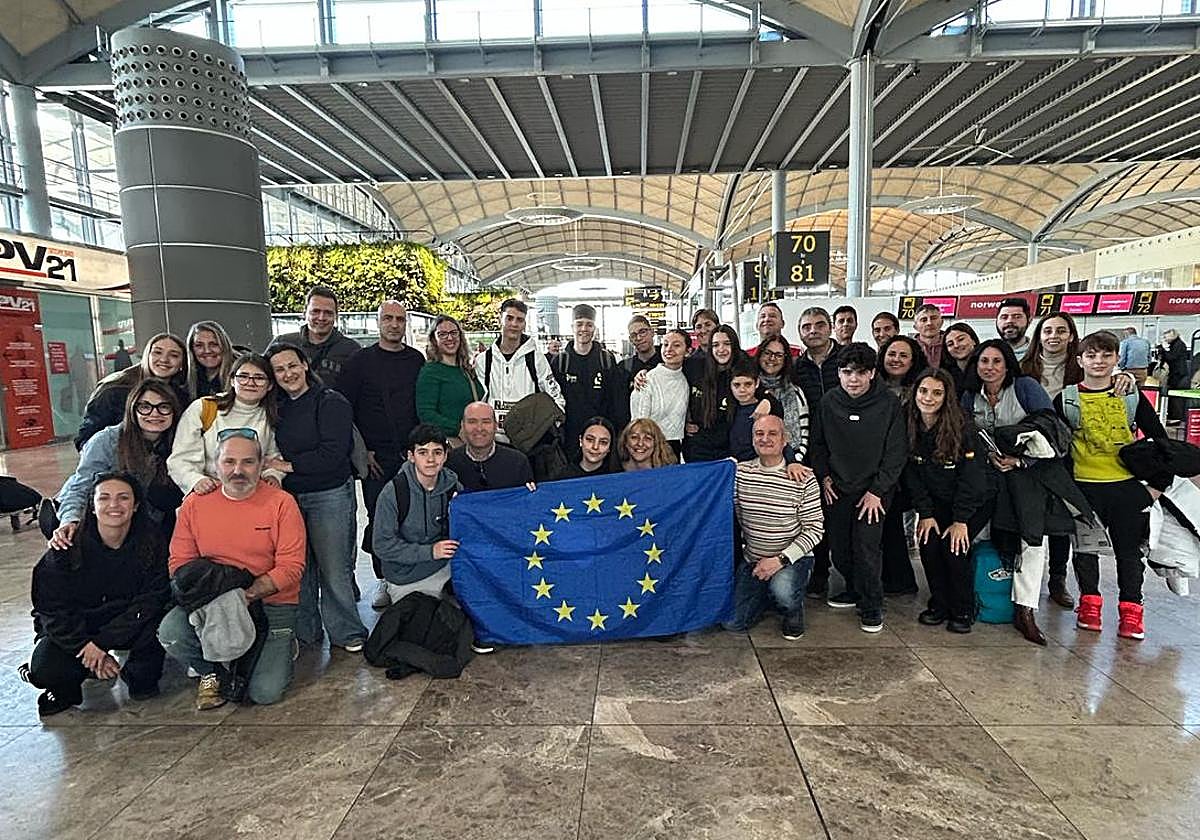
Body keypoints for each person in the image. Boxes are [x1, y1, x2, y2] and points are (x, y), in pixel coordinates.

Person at [158, 430, 306, 709]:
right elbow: (179, 563)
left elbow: (291, 567)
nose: (238, 470)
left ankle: (279, 645)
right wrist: (221, 599)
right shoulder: (194, 504)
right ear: (215, 464)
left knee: (265, 693)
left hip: (270, 603)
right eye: (229, 462)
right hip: (210, 601)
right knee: (171, 632)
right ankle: (214, 673)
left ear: (262, 465)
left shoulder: (282, 504)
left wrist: (244, 596)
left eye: (248, 462)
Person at [960, 339, 1077, 645]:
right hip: (986, 480)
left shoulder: (1026, 388)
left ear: (1007, 363)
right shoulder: (970, 396)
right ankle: (981, 596)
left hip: (1027, 478)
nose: (989, 367)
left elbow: (1052, 432)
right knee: (982, 538)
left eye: (996, 361)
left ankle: (1025, 609)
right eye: (984, 361)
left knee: (1030, 541)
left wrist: (1020, 461)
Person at [22, 473, 170, 716]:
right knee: (46, 670)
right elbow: (51, 610)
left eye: (123, 498)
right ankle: (71, 682)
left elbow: (152, 599)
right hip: (79, 626)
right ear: (92, 506)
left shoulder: (152, 541)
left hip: (129, 624)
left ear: (135, 506)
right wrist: (84, 646)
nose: (114, 505)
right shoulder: (65, 547)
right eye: (104, 498)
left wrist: (103, 643)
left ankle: (134, 672)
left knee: (145, 682)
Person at [1054, 330, 1167, 640]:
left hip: (1126, 487)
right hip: (1083, 487)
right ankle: (1089, 604)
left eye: (1106, 355)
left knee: (1129, 553)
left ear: (1117, 359)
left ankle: (1131, 609)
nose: (1099, 361)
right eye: (1091, 355)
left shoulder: (1130, 395)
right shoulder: (1066, 399)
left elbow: (1161, 441)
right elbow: (1058, 447)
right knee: (1085, 549)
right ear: (1080, 360)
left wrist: (1155, 487)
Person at [265, 343, 366, 653]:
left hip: (329, 494)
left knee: (334, 568)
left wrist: (286, 465)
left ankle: (347, 632)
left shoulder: (331, 402)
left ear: (305, 365)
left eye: (292, 366)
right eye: (279, 370)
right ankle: (307, 631)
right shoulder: (276, 407)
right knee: (299, 567)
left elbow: (333, 456)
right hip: (289, 498)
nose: (287, 373)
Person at [811, 343, 907, 633]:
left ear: (872, 374)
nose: (853, 379)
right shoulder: (829, 402)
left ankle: (872, 604)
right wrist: (824, 476)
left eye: (861, 373)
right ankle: (853, 589)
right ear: (839, 374)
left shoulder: (888, 403)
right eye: (847, 372)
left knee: (866, 547)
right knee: (839, 547)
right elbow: (817, 444)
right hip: (837, 486)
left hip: (874, 491)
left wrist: (878, 491)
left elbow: (896, 451)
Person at [338, 299, 426, 609]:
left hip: (411, 457)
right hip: (374, 460)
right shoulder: (359, 362)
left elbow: (420, 408)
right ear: (378, 322)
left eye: (399, 319)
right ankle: (384, 579)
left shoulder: (416, 360)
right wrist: (362, 453)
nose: (393, 324)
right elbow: (345, 410)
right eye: (388, 318)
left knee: (413, 517)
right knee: (379, 519)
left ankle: (412, 576)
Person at [904, 368, 990, 634]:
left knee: (954, 549)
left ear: (946, 397)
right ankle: (939, 604)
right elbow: (911, 475)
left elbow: (973, 479)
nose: (928, 398)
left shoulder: (962, 426)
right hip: (935, 502)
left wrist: (961, 520)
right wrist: (925, 513)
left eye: (937, 393)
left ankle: (962, 608)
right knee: (929, 544)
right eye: (923, 391)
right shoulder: (907, 422)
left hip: (972, 503)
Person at [52, 380, 184, 550]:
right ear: (132, 409)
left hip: (145, 524)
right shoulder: (107, 441)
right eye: (145, 406)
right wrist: (70, 520)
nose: (154, 414)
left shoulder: (180, 443)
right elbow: (80, 486)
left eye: (164, 407)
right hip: (103, 519)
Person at [726, 415, 824, 640]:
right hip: (753, 557)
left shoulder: (803, 478)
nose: (765, 439)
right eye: (759, 434)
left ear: (785, 440)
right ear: (752, 440)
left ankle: (792, 607)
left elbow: (815, 529)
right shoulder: (739, 474)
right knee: (732, 623)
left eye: (772, 434)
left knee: (784, 591)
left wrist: (779, 560)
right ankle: (765, 593)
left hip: (792, 558)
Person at [167, 353, 283, 495]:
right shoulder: (205, 408)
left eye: (259, 378)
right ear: (233, 380)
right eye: (243, 377)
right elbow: (180, 459)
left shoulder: (270, 415)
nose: (250, 383)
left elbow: (273, 456)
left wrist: (272, 475)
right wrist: (195, 480)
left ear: (270, 385)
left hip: (252, 493)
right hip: (209, 492)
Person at [372, 424, 462, 605]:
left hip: (446, 568)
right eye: (423, 452)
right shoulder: (394, 492)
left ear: (445, 456)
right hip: (405, 575)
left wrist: (528, 495)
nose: (430, 459)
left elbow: (480, 516)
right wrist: (430, 552)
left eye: (437, 452)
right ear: (411, 456)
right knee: (419, 624)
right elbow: (382, 545)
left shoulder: (453, 487)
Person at [793, 306, 841, 600]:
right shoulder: (797, 368)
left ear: (830, 327)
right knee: (817, 514)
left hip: (848, 448)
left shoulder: (846, 359)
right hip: (812, 450)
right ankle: (820, 574)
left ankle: (857, 578)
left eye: (819, 325)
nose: (813, 330)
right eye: (807, 326)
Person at [74, 332, 189, 450]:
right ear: (146, 356)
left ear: (182, 362)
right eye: (157, 352)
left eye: (174, 355)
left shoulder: (182, 396)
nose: (164, 359)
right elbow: (86, 439)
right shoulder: (114, 389)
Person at [475, 298, 564, 442]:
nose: (514, 324)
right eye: (509, 318)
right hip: (492, 442)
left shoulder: (536, 359)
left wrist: (542, 431)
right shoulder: (483, 360)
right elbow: (478, 401)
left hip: (527, 445)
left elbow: (557, 400)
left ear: (524, 324)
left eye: (519, 320)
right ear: (500, 319)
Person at [551, 304, 628, 460]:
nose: (584, 329)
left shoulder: (606, 360)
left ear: (594, 328)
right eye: (579, 324)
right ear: (572, 327)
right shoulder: (560, 362)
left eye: (589, 324)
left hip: (600, 437)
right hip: (570, 437)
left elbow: (616, 399)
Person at [271, 285, 362, 391]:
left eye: (328, 313)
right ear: (304, 313)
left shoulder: (351, 350)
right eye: (315, 311)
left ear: (336, 316)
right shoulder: (283, 343)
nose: (321, 318)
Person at [416, 314, 483, 444]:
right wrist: (457, 428)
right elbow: (426, 414)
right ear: (434, 339)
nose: (449, 338)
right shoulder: (430, 372)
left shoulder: (466, 369)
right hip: (452, 443)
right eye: (442, 334)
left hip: (476, 438)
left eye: (453, 333)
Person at [446, 402, 535, 492]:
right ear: (462, 425)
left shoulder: (518, 462)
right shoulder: (449, 462)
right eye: (472, 422)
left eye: (486, 422)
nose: (479, 428)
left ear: (495, 426)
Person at [631, 328, 690, 455]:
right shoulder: (647, 380)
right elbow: (638, 423)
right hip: (647, 447)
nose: (669, 349)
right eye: (665, 344)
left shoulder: (686, 379)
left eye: (677, 345)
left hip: (674, 448)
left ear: (687, 351)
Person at [755, 335, 809, 460]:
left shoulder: (795, 392)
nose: (772, 358)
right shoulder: (748, 389)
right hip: (754, 466)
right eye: (767, 353)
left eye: (778, 355)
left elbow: (804, 434)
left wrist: (794, 461)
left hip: (792, 464)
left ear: (785, 359)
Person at [728, 358, 784, 462]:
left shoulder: (765, 410)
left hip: (760, 466)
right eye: (737, 385)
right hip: (734, 466)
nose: (742, 390)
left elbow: (781, 440)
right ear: (730, 385)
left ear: (757, 383)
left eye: (748, 384)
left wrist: (793, 462)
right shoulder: (729, 409)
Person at [186, 320, 236, 399]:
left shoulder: (240, 374)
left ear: (224, 345)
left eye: (214, 344)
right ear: (192, 349)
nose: (207, 351)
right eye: (199, 345)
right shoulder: (185, 378)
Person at [876, 335, 929, 402]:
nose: (896, 359)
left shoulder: (922, 390)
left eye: (903, 356)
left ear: (912, 362)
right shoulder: (869, 386)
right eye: (891, 354)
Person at [1158, 328, 1191, 424]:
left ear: (1172, 335)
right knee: (1173, 397)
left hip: (1178, 375)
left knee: (1175, 397)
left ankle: (1176, 418)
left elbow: (1171, 357)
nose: (1165, 339)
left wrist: (1164, 349)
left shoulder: (1178, 345)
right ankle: (1173, 417)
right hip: (1177, 374)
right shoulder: (1177, 344)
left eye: (1166, 337)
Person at [621, 315, 661, 385]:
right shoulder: (623, 369)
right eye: (634, 335)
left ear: (652, 332)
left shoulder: (667, 362)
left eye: (642, 332)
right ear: (630, 340)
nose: (639, 338)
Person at [941, 322, 979, 394]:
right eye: (950, 344)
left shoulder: (986, 367)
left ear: (973, 340)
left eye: (961, 339)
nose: (956, 345)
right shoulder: (946, 376)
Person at [683, 308, 720, 380]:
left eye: (708, 325)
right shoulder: (689, 364)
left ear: (717, 326)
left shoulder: (731, 356)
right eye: (699, 327)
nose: (703, 330)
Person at [913, 304, 945, 368]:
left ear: (941, 322)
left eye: (933, 318)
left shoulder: (951, 345)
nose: (929, 323)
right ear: (915, 327)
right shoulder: (909, 347)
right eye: (924, 320)